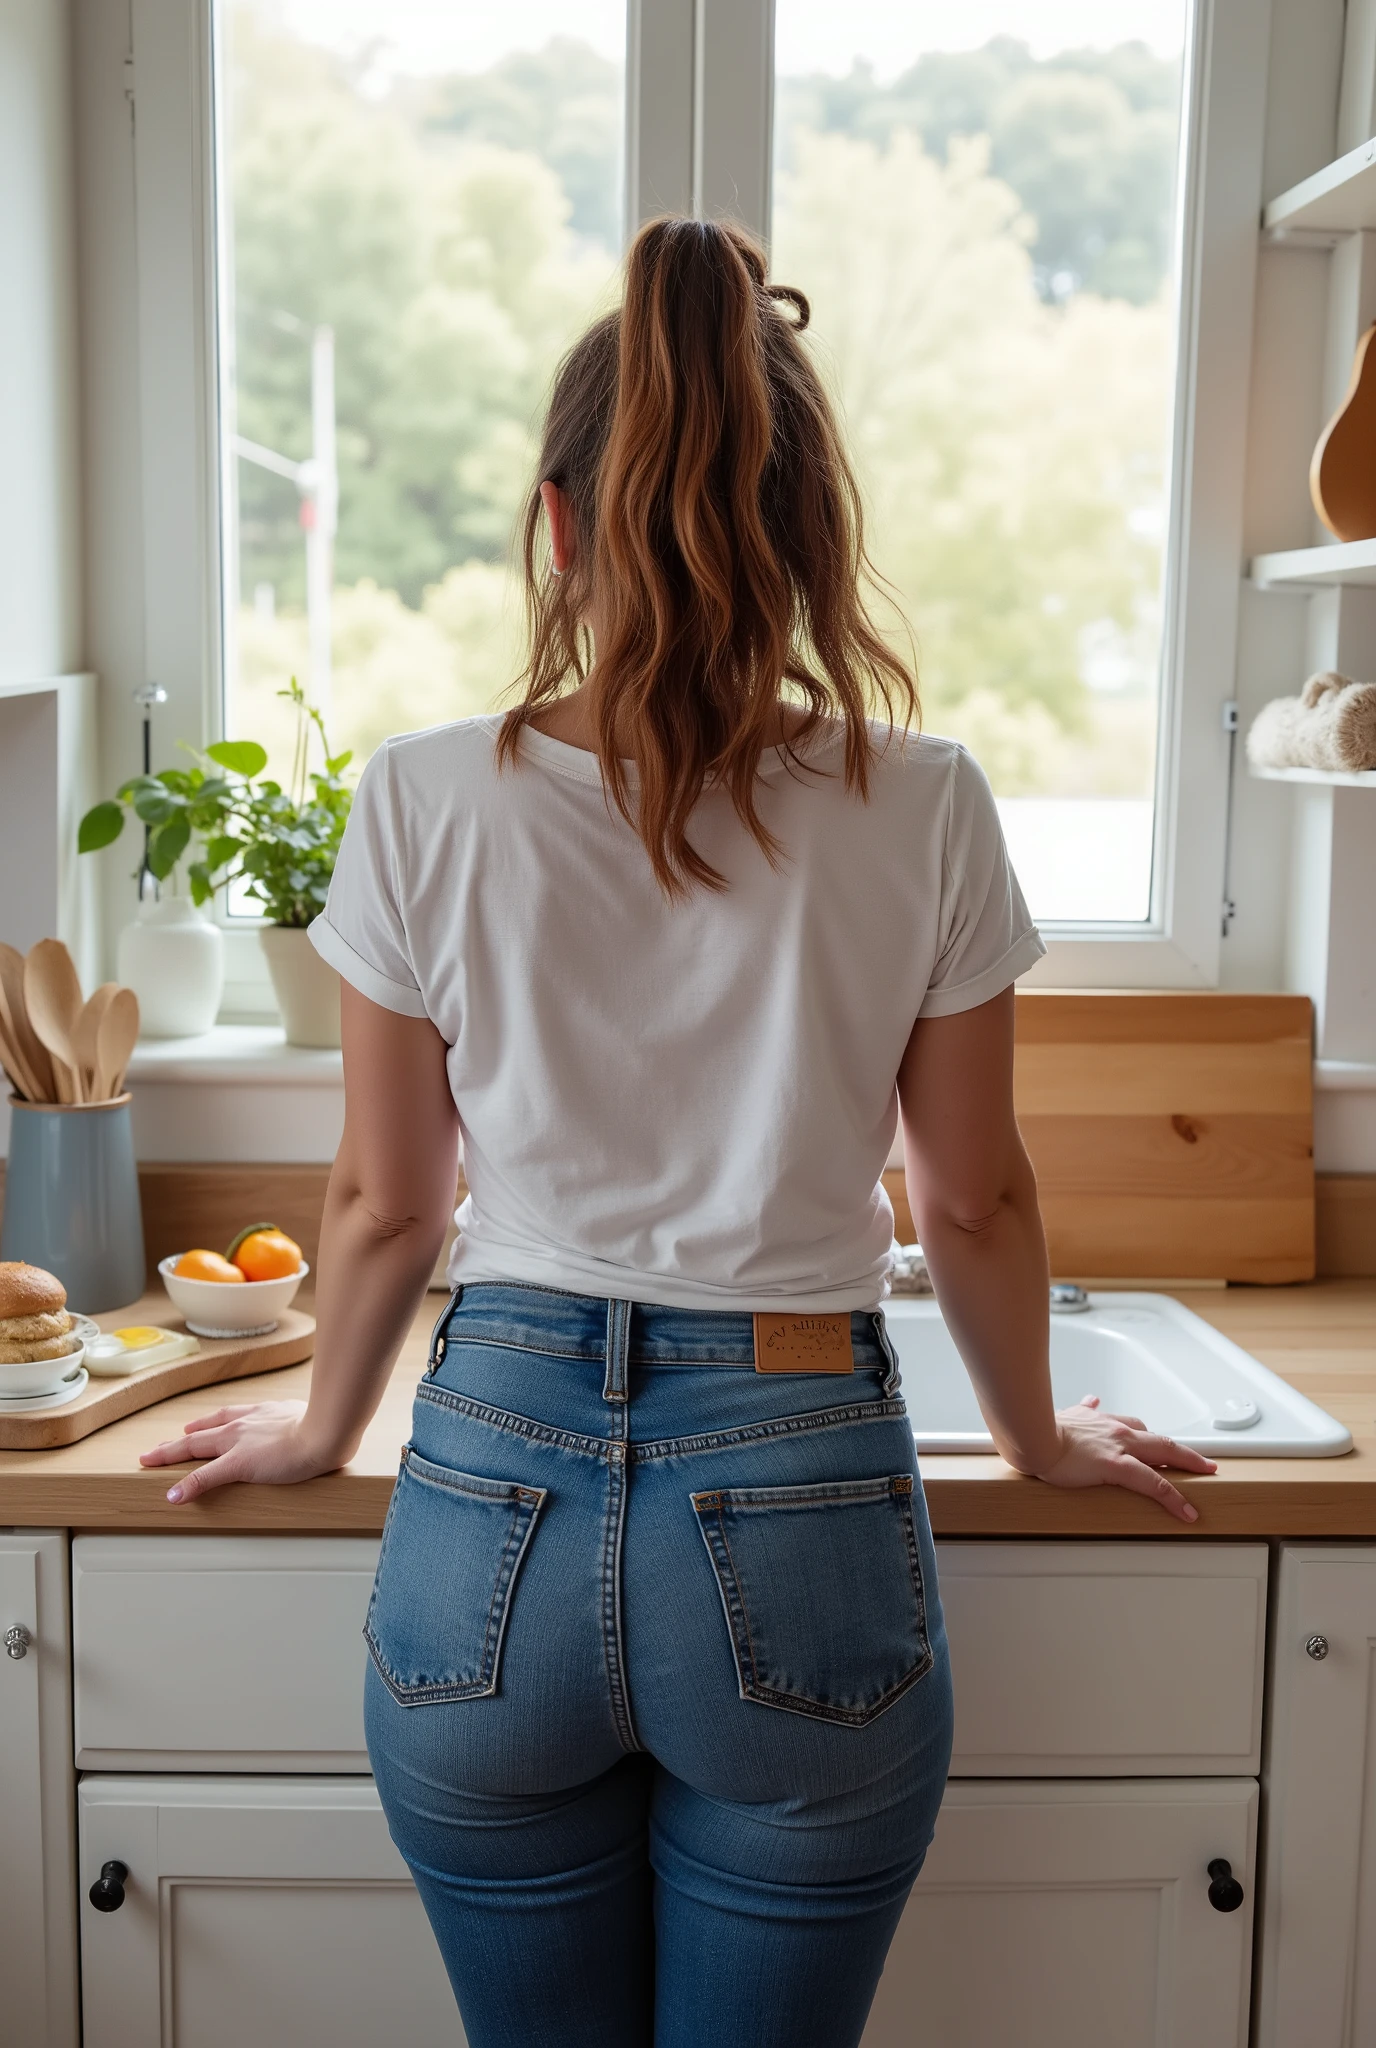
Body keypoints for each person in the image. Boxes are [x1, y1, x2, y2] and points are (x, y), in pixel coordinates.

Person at [142, 216, 1214, 2048]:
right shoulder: (923, 804)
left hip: (490, 1491)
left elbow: (387, 1205)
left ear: (555, 525)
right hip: (798, 1476)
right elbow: (972, 1197)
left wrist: (326, 1425)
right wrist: (1035, 1436)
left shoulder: (417, 798)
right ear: (809, 534)